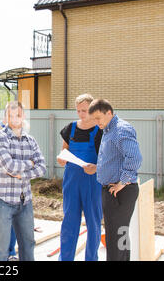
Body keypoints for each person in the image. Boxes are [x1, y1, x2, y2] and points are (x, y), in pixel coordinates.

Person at [85, 99, 142, 261]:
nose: (96, 123)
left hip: (120, 191)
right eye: (93, 119)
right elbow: (114, 159)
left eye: (98, 118)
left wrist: (122, 183)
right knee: (116, 235)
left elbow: (135, 158)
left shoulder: (121, 129)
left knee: (117, 236)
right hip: (111, 189)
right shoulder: (109, 130)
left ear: (108, 112)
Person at [0, 101, 46, 261]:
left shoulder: (30, 140)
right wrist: (30, 163)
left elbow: (42, 168)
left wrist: (23, 175)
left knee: (28, 245)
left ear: (24, 116)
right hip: (2, 201)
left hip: (25, 201)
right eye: (10, 115)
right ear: (5, 117)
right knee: (0, 250)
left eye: (18, 115)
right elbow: (10, 166)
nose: (14, 119)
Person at [57, 94, 103, 261]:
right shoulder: (70, 128)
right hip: (71, 182)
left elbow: (107, 160)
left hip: (93, 182)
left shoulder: (101, 131)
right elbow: (64, 152)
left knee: (94, 224)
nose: (81, 114)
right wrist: (61, 159)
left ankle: (92, 258)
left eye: (84, 110)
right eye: (78, 111)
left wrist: (97, 168)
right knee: (69, 222)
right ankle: (65, 258)